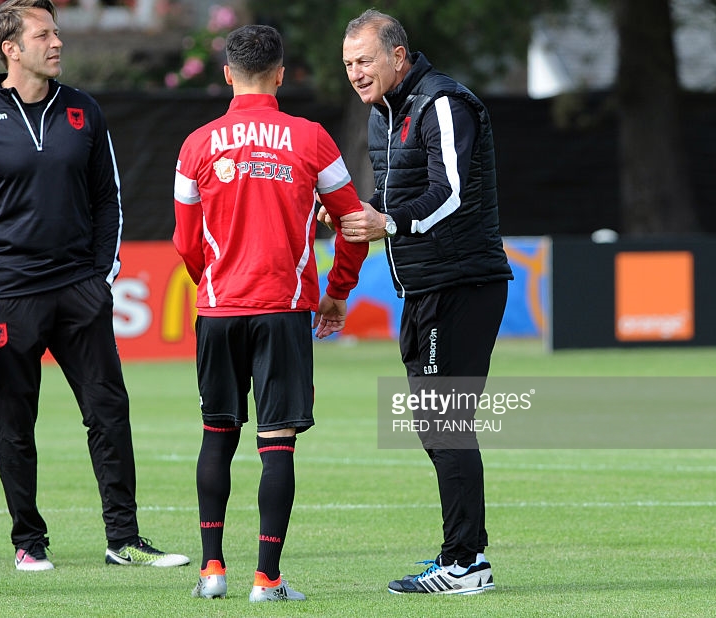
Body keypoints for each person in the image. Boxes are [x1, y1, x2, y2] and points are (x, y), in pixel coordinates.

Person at [0, 0, 188, 572]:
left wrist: (102, 277)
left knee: (109, 411)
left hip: (79, 289)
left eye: (57, 32)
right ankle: (29, 542)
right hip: (7, 294)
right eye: (43, 35)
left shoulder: (84, 110)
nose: (57, 43)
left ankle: (124, 539)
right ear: (10, 48)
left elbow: (109, 200)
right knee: (14, 423)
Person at [173, 24, 369, 602]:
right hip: (283, 309)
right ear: (281, 75)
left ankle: (212, 572)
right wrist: (338, 290)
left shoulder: (197, 143)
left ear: (227, 74)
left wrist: (213, 284)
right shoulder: (311, 138)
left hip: (220, 308)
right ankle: (267, 579)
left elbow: (184, 241)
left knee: (217, 435)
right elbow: (352, 222)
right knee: (276, 442)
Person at [323, 9, 514, 595]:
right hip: (427, 286)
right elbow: (399, 195)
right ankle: (466, 557)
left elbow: (449, 194)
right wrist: (364, 217)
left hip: (461, 283)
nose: (356, 73)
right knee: (438, 424)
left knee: (445, 423)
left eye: (365, 60)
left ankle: (465, 562)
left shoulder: (442, 103)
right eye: (348, 64)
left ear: (398, 56)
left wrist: (388, 222)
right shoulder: (386, 112)